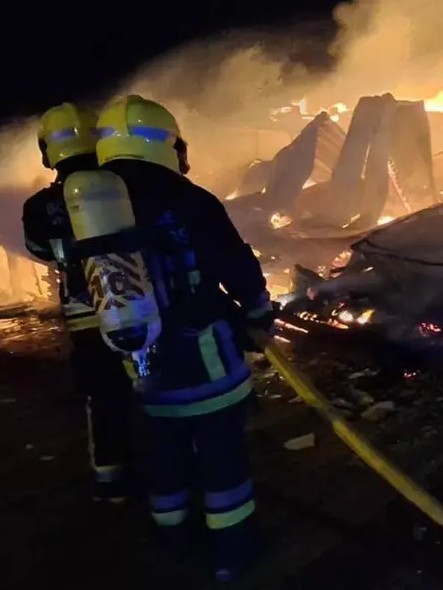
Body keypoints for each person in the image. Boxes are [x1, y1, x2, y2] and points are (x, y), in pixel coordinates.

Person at [90, 94, 273, 581]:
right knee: (222, 461)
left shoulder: (95, 208)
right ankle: (232, 552)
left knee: (163, 459)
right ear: (167, 145)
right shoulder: (189, 200)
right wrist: (259, 315)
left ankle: (171, 541)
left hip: (141, 367)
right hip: (205, 362)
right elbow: (237, 265)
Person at [22, 103, 134, 503]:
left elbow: (38, 248)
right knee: (152, 387)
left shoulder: (40, 205)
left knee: (102, 396)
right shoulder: (123, 185)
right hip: (136, 303)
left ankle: (111, 479)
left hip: (85, 316)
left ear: (47, 150)